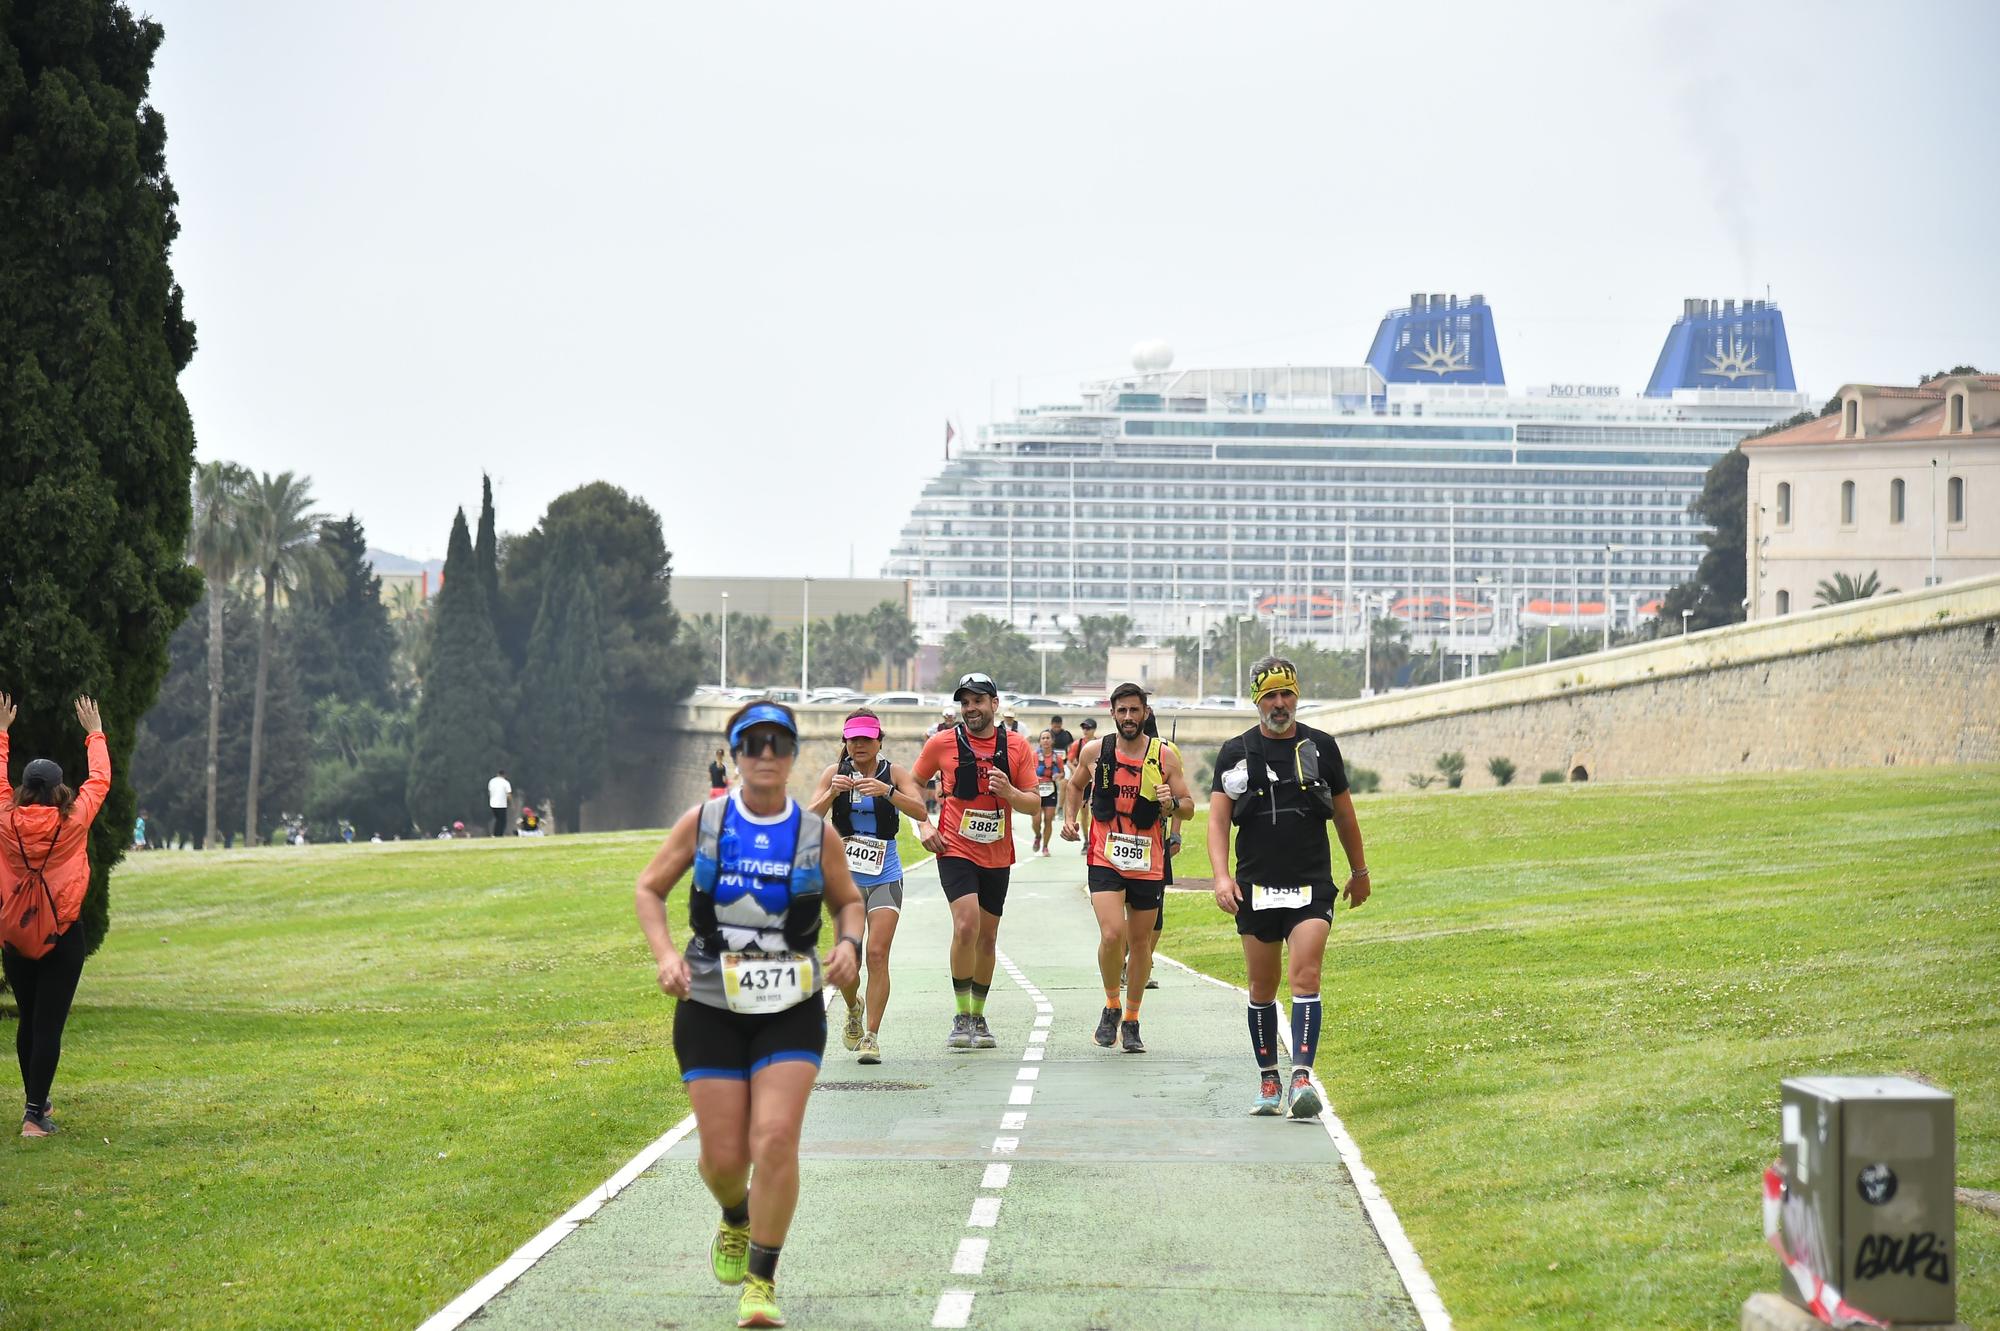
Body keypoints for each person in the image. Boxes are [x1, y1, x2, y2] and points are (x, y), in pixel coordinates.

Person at [636, 701, 864, 1329]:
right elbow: (648, 889)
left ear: (793, 755)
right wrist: (663, 957)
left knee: (775, 1137)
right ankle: (735, 1214)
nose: (766, 755)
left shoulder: (818, 836)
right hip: (709, 1003)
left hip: (790, 1004)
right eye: (753, 744)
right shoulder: (706, 821)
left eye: (779, 744)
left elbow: (849, 904)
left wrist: (848, 946)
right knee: (724, 1156)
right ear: (734, 753)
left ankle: (761, 1283)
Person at [1207, 657, 1371, 1119]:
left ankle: (1301, 1076)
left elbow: (1344, 815)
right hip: (1255, 888)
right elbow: (1218, 821)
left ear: (1297, 696)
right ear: (1257, 701)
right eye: (1270, 697)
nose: (1279, 705)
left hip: (1311, 886)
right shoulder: (1235, 751)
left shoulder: (1321, 747)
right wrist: (1221, 877)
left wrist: (1359, 873)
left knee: (1306, 976)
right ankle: (1269, 1078)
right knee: (1262, 986)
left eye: (1286, 695)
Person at [0, 694, 112, 1138]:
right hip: (63, 934)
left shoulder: (6, 819)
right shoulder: (74, 820)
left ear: (25, 788)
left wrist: (2, 732)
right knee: (48, 1025)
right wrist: (94, 732)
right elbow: (100, 780)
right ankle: (34, 1116)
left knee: (29, 1020)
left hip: (15, 934)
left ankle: (36, 1102)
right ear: (59, 788)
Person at [1061, 683, 1191, 1054]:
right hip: (1105, 855)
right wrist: (1070, 820)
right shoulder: (1095, 751)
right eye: (1122, 711)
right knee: (1112, 934)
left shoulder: (1164, 757)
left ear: (1145, 713)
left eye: (1135, 711)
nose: (1129, 718)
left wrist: (1172, 804)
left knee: (1139, 943)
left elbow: (1189, 805)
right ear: (1113, 714)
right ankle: (1111, 1004)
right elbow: (1074, 786)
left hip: (1147, 860)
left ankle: (1132, 1018)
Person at [911, 673, 1038, 1051]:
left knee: (988, 936)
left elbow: (1033, 802)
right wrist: (923, 824)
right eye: (965, 703)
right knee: (966, 924)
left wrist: (1010, 791)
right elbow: (911, 783)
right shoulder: (941, 743)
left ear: (994, 705)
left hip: (997, 852)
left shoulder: (1017, 747)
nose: (970, 709)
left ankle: (979, 1016)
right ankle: (961, 1014)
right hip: (955, 848)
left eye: (978, 701)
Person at [806, 708, 931, 1064]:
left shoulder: (895, 773)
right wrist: (831, 793)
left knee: (877, 954)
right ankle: (853, 1006)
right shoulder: (834, 773)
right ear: (845, 742)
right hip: (844, 880)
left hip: (885, 875)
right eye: (853, 739)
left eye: (866, 738)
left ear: (879, 741)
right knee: (848, 960)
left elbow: (921, 812)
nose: (859, 745)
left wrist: (887, 791)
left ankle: (871, 1036)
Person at [1029, 729, 1064, 857]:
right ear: (1039, 741)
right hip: (1036, 790)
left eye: (1048, 738)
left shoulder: (1057, 758)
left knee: (1048, 820)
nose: (1046, 740)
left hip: (1051, 790)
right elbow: (1028, 771)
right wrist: (1034, 778)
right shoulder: (1034, 756)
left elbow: (1062, 773)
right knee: (1036, 820)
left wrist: (1058, 776)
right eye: (1043, 738)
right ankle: (1038, 836)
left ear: (1052, 741)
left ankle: (1045, 847)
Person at [488, 768, 512, 838]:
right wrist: (511, 803)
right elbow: (509, 794)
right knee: (502, 821)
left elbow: (490, 792)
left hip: (493, 803)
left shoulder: (492, 781)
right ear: (504, 775)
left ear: (497, 774)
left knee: (498, 819)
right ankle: (498, 834)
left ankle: (497, 833)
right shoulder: (505, 782)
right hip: (501, 804)